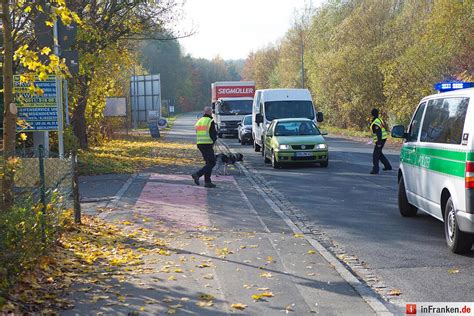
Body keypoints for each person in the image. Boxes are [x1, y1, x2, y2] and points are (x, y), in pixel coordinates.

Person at [192, 107, 218, 188]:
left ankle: (208, 182)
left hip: (200, 143)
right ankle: (197, 174)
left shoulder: (199, 121)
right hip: (207, 144)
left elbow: (197, 132)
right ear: (210, 113)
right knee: (212, 162)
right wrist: (214, 140)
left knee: (208, 162)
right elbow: (212, 133)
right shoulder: (210, 121)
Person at [370, 108, 392, 174]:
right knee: (379, 154)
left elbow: (378, 132)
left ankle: (375, 170)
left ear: (372, 114)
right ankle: (388, 166)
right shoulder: (379, 119)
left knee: (375, 155)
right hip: (383, 138)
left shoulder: (375, 122)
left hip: (380, 139)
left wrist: (379, 142)